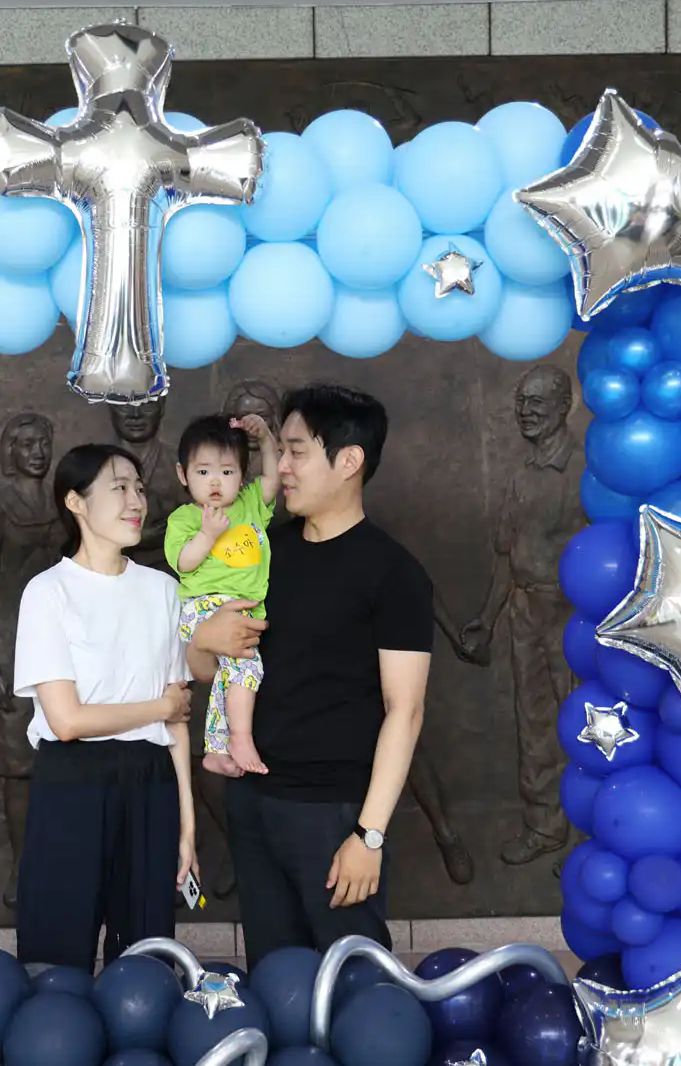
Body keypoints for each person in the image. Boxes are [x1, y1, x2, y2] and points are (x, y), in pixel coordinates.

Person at [188, 385, 433, 969]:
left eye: (297, 452)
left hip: (333, 814)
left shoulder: (393, 573)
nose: (282, 469)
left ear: (349, 461)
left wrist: (369, 835)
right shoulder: (260, 554)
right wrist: (203, 641)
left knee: (352, 982)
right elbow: (209, 674)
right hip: (252, 802)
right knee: (276, 977)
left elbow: (405, 711)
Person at [12, 444, 198, 970]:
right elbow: (68, 720)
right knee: (55, 958)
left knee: (145, 959)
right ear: (76, 502)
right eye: (119, 488)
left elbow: (178, 723)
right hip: (73, 782)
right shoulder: (48, 592)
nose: (136, 500)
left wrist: (186, 826)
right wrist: (159, 706)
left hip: (152, 782)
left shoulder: (163, 590)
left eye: (139, 488)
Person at [462, 365, 586, 867]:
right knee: (534, 723)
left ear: (563, 407)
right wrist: (487, 618)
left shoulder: (584, 471)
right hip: (524, 610)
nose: (525, 412)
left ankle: (594, 836)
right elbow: (507, 554)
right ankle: (544, 826)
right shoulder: (521, 472)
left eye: (537, 403)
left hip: (572, 615)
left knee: (586, 721)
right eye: (520, 402)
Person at [0, 412, 66, 909]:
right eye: (26, 444)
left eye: (43, 442)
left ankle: (65, 857)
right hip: (12, 641)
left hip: (67, 640)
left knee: (69, 751)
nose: (37, 452)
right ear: (11, 452)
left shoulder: (66, 502)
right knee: (17, 764)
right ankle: (22, 863)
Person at [166, 413, 279, 778]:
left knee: (228, 676)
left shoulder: (249, 505)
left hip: (243, 611)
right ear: (183, 475)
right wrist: (207, 535)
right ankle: (241, 738)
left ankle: (215, 749)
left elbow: (273, 477)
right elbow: (184, 562)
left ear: (242, 476)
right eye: (203, 472)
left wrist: (265, 440)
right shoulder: (185, 519)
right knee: (247, 667)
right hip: (203, 607)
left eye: (227, 472)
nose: (215, 481)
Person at [109, 399, 184, 573]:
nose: (135, 415)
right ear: (110, 407)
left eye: (147, 404)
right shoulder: (95, 467)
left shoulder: (181, 464)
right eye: (124, 404)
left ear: (161, 406)